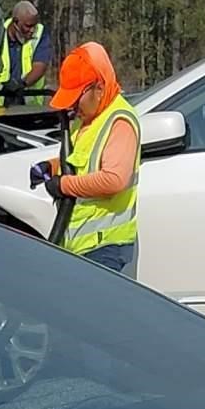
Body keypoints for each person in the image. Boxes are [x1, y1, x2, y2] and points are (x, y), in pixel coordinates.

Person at [31, 40, 140, 279]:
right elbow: (81, 159)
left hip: (106, 250)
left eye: (76, 97)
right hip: (83, 247)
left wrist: (63, 185)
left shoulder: (119, 121)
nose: (71, 105)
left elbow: (114, 179)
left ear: (98, 87)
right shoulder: (89, 119)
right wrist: (51, 167)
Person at [0, 0, 50, 98]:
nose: (32, 30)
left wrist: (21, 84)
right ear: (15, 21)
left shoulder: (40, 33)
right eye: (28, 26)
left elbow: (40, 66)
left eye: (34, 26)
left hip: (28, 103)